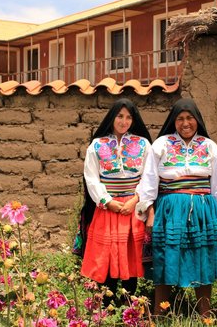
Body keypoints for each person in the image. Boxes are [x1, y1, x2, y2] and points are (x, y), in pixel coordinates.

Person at [136, 98, 217, 316]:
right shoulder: (161, 144)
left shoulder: (209, 147)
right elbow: (150, 180)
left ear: (197, 120)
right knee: (165, 256)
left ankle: (205, 313)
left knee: (203, 258)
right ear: (174, 121)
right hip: (170, 210)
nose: (185, 123)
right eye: (180, 118)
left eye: (190, 118)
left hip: (203, 211)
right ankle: (161, 312)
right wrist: (149, 210)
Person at [80, 98, 152, 302]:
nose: (124, 121)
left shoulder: (143, 144)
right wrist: (107, 201)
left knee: (131, 255)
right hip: (108, 208)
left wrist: (136, 200)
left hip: (132, 208)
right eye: (120, 116)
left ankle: (129, 302)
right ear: (112, 117)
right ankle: (106, 303)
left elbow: (149, 176)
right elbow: (91, 177)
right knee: (107, 256)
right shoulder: (97, 145)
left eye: (129, 117)